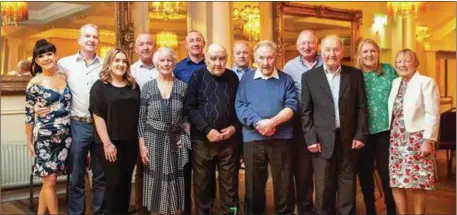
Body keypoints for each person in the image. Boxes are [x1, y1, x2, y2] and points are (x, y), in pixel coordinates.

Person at [300, 35, 368, 215]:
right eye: (328, 50)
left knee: (348, 186)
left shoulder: (355, 75)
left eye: (336, 49)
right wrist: (310, 138)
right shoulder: (309, 77)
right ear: (321, 52)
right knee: (323, 188)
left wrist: (360, 135)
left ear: (342, 52)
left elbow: (361, 108)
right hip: (321, 141)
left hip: (349, 140)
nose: (332, 54)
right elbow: (305, 111)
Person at [236, 40, 297, 215]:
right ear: (254, 59)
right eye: (261, 58)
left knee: (284, 184)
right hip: (253, 138)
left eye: (269, 57)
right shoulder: (246, 80)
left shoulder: (286, 79)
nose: (265, 62)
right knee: (254, 185)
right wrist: (258, 123)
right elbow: (240, 105)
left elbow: (292, 106)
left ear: (276, 57)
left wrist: (272, 123)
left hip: (281, 138)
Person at [184, 43, 241, 215]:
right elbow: (189, 107)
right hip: (202, 141)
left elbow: (239, 106)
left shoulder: (233, 77)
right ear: (206, 58)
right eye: (213, 58)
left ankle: (230, 213)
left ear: (227, 59)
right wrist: (207, 130)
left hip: (229, 141)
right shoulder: (197, 76)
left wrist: (234, 127)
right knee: (202, 187)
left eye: (222, 58)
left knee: (230, 187)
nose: (217, 62)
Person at [56, 24, 106, 215]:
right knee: (76, 175)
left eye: (95, 36)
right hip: (77, 124)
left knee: (101, 176)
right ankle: (76, 213)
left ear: (98, 41)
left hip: (101, 125)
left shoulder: (105, 65)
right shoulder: (64, 64)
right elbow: (49, 83)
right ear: (79, 39)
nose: (91, 40)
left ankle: (100, 212)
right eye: (87, 36)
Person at [138, 47, 191, 215]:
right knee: (156, 185)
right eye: (162, 60)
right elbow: (141, 119)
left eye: (169, 60)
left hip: (176, 141)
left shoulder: (183, 87)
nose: (166, 64)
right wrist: (142, 146)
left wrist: (184, 139)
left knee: (177, 183)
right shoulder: (147, 87)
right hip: (153, 141)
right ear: (156, 63)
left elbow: (187, 118)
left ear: (174, 63)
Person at [388, 49, 440, 215]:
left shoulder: (426, 82)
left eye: (407, 60)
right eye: (399, 61)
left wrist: (428, 140)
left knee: (417, 182)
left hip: (417, 138)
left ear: (416, 63)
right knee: (396, 182)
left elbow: (433, 113)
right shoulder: (396, 82)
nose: (402, 64)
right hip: (396, 137)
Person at [89, 48, 140, 215]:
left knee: (126, 183)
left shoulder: (133, 85)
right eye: (117, 60)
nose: (121, 64)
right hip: (109, 143)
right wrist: (107, 143)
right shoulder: (99, 87)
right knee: (113, 184)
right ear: (109, 63)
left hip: (130, 143)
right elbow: (98, 116)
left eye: (124, 61)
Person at [25, 39, 72, 215]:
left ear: (56, 55)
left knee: (49, 182)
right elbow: (29, 115)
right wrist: (29, 141)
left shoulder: (64, 78)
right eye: (41, 56)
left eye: (49, 53)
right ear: (36, 61)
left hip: (65, 137)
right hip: (44, 138)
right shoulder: (35, 83)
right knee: (51, 181)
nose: (46, 58)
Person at [355, 38, 397, 215]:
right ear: (359, 55)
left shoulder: (388, 70)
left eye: (373, 51)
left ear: (378, 53)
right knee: (364, 174)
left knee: (386, 174)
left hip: (385, 131)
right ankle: (370, 209)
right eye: (365, 51)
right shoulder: (353, 75)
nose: (369, 54)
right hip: (361, 132)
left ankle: (391, 209)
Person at [283, 30, 323, 215]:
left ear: (317, 44)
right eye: (303, 44)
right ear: (297, 46)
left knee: (324, 171)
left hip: (325, 124)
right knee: (303, 171)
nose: (307, 47)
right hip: (300, 126)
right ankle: (305, 209)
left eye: (310, 43)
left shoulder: (326, 62)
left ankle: (325, 208)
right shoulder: (289, 67)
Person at [173, 30, 209, 214]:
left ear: (204, 43)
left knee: (205, 176)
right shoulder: (178, 69)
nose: (195, 43)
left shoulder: (211, 65)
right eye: (191, 41)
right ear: (185, 45)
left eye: (198, 40)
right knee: (185, 173)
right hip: (185, 127)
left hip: (207, 127)